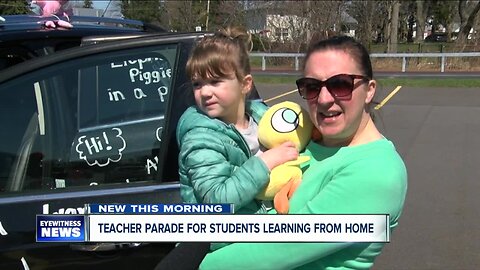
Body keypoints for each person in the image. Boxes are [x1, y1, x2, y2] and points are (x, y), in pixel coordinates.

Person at [198, 35, 408, 269]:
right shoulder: (307, 140)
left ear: (369, 91)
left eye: (340, 84)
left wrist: (195, 261)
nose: (325, 99)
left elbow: (276, 249)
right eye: (312, 87)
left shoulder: (377, 171)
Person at [154, 26, 300, 270]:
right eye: (198, 84)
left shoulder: (262, 118)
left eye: (215, 81)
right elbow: (216, 199)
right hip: (224, 244)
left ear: (245, 84)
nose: (205, 92)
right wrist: (265, 162)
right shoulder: (200, 138)